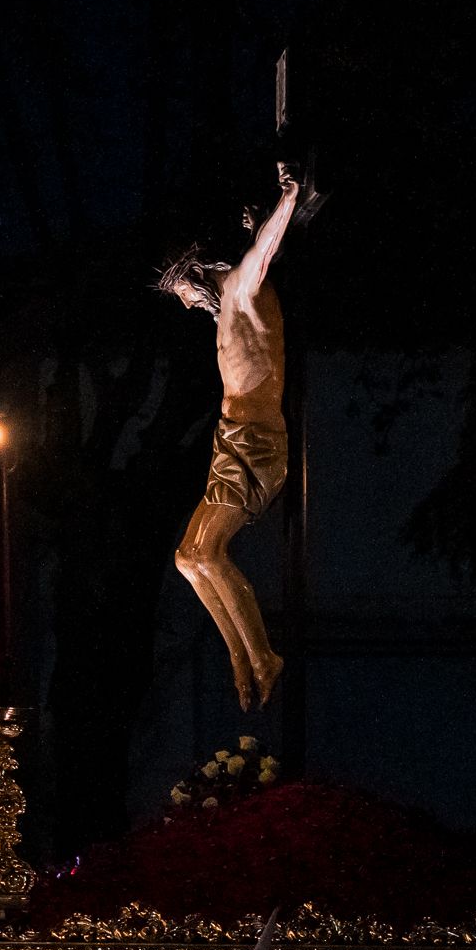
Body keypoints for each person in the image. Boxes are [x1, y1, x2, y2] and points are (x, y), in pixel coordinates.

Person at [157, 160, 309, 710]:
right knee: (186, 557)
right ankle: (241, 656)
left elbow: (263, 251)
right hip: (233, 436)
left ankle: (263, 654)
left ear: (197, 276)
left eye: (185, 295)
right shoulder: (228, 307)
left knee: (211, 552)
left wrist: (287, 199)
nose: (190, 306)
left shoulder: (243, 289)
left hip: (256, 442)